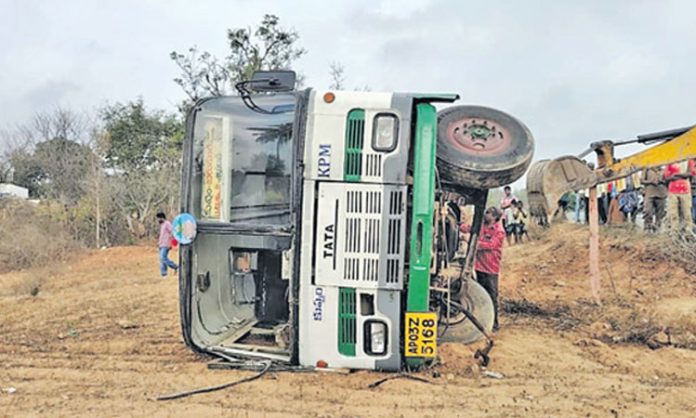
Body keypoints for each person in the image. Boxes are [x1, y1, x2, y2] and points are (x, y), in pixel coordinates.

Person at [460, 207, 505, 330]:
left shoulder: (499, 231)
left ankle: (494, 323)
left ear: (495, 217)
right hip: (480, 266)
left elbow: (491, 245)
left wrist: (472, 243)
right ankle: (483, 321)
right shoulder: (482, 226)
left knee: (491, 296)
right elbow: (469, 229)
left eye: (488, 213)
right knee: (482, 294)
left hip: (491, 268)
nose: (485, 214)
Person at [663, 161, 695, 232]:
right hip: (672, 191)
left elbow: (690, 174)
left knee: (687, 214)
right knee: (673, 214)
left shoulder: (688, 160)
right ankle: (675, 233)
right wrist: (681, 176)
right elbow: (666, 177)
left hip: (685, 190)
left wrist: (676, 175)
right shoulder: (670, 161)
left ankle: (688, 233)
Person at [641, 167, 668, 232]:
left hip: (661, 192)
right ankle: (648, 227)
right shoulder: (647, 168)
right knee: (648, 211)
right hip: (649, 192)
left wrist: (662, 181)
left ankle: (657, 227)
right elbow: (642, 180)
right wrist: (651, 181)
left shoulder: (664, 167)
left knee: (660, 213)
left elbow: (668, 179)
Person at [156, 212, 178, 277]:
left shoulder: (167, 224)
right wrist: (159, 243)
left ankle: (175, 266)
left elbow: (172, 232)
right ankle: (164, 273)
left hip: (166, 244)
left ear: (162, 218)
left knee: (163, 258)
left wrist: (171, 243)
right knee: (162, 259)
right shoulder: (162, 225)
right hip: (161, 244)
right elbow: (162, 235)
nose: (158, 220)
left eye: (159, 218)